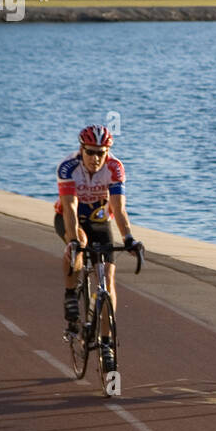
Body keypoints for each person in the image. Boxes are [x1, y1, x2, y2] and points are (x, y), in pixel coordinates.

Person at [55, 125, 143, 371]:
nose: (95, 158)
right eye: (91, 152)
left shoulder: (115, 168)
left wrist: (128, 239)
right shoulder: (68, 167)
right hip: (70, 218)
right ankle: (71, 292)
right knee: (79, 243)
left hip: (99, 219)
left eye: (101, 153)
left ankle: (106, 342)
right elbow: (70, 209)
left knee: (108, 278)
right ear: (81, 150)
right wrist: (73, 241)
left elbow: (119, 208)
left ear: (107, 153)